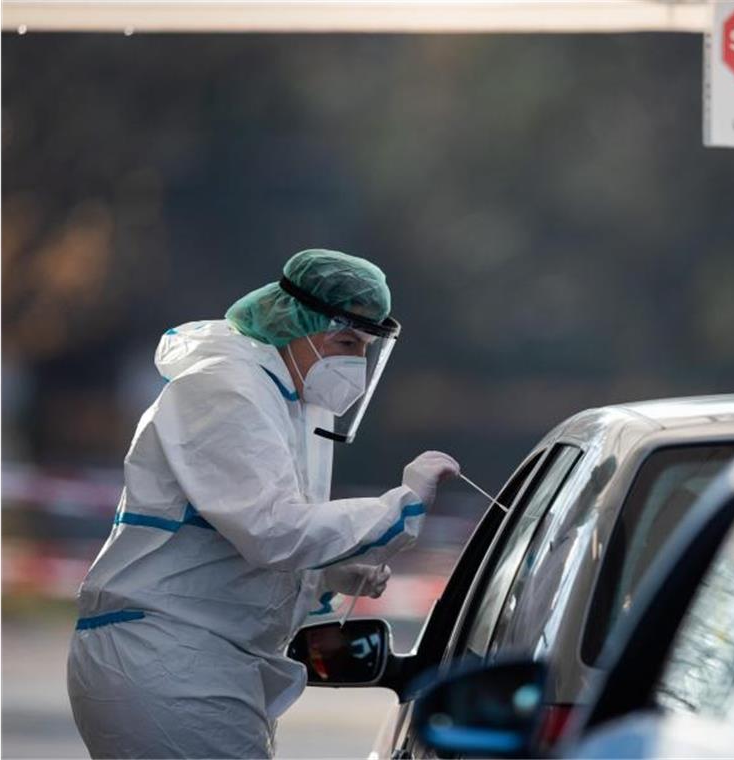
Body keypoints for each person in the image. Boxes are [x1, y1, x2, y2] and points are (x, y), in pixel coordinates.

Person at [66, 248, 459, 758]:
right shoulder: (226, 390)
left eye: (365, 348)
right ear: (293, 324)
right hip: (167, 660)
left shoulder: (284, 401)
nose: (355, 363)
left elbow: (230, 539)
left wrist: (327, 573)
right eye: (345, 342)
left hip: (198, 660)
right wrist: (400, 506)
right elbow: (272, 531)